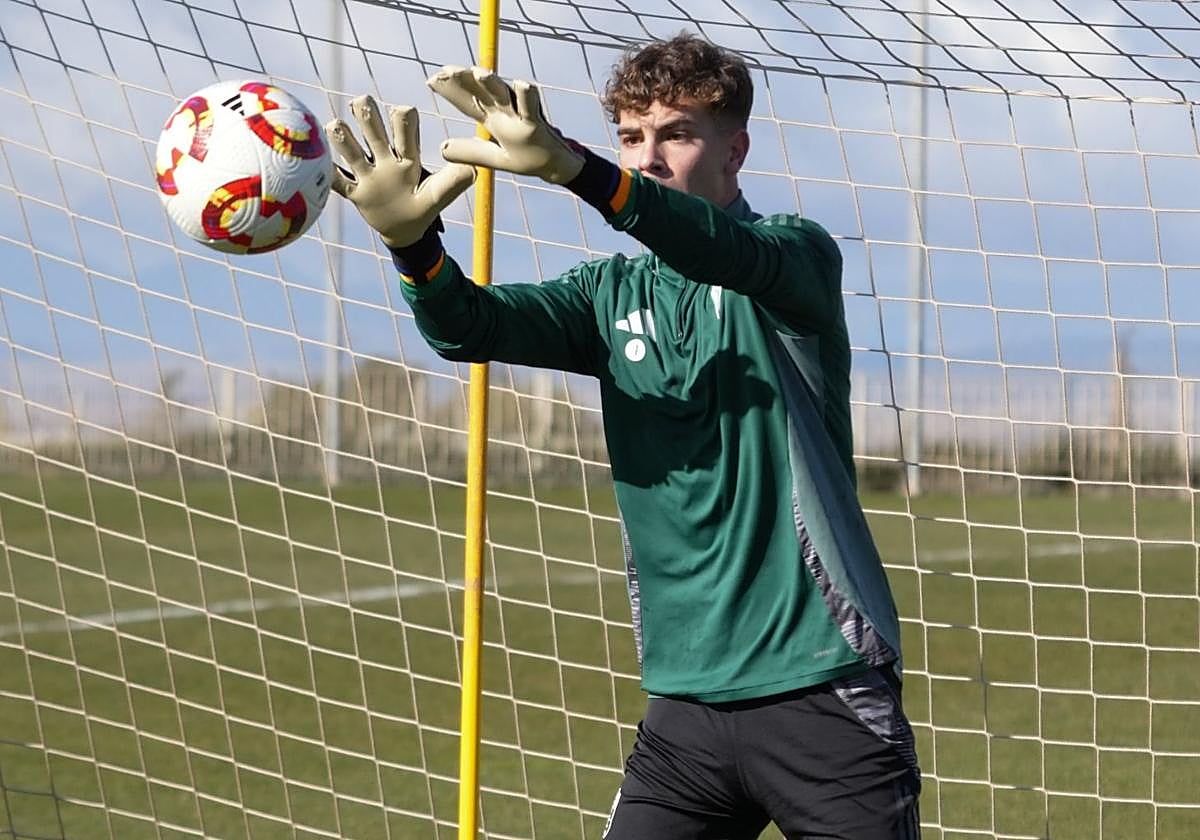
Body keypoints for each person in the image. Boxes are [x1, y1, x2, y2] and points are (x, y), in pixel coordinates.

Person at [327, 33, 920, 840]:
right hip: (685, 710)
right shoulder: (607, 295)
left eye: (676, 133)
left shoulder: (793, 260)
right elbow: (467, 326)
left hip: (820, 692)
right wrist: (410, 245)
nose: (651, 158)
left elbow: (716, 246)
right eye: (632, 138)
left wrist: (579, 170)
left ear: (735, 148)